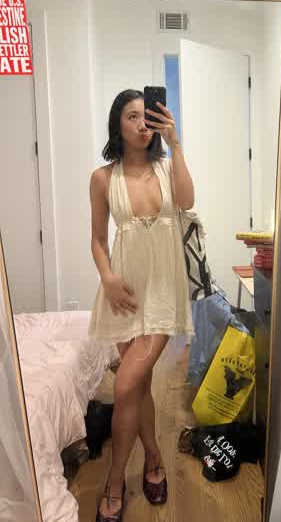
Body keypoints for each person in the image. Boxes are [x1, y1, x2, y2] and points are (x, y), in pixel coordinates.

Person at [88, 89, 194, 521]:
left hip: (164, 292)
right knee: (140, 386)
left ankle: (114, 482)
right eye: (131, 116)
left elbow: (187, 201)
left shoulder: (167, 168)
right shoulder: (102, 178)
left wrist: (175, 142)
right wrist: (109, 279)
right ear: (117, 124)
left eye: (146, 115)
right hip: (124, 295)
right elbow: (98, 240)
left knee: (125, 385)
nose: (141, 124)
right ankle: (153, 457)